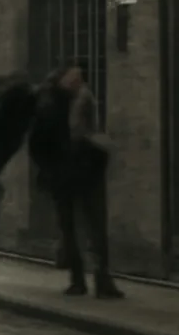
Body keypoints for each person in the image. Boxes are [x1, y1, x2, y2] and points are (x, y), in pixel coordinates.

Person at [29, 61, 123, 299]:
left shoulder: (82, 98)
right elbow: (39, 143)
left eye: (80, 78)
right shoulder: (50, 104)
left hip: (86, 171)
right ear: (62, 79)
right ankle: (79, 279)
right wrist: (51, 168)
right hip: (66, 174)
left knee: (93, 227)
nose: (78, 81)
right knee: (72, 229)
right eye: (74, 77)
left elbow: (87, 131)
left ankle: (101, 280)